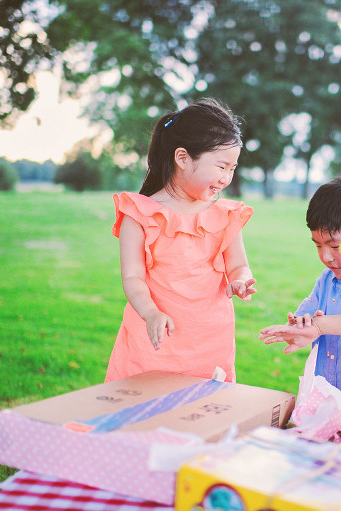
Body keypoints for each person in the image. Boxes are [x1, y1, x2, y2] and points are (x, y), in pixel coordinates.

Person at [106, 98, 256, 383]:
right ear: (183, 158)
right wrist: (150, 313)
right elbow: (133, 277)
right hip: (156, 340)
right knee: (146, 411)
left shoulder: (225, 215)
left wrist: (241, 280)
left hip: (210, 341)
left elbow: (239, 266)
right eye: (221, 166)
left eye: (233, 168)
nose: (227, 177)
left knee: (202, 415)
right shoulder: (139, 214)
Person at [259, 176, 341, 395]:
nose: (326, 256)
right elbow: (307, 319)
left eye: (336, 246)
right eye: (318, 245)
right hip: (325, 399)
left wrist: (321, 326)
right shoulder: (326, 280)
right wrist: (297, 328)